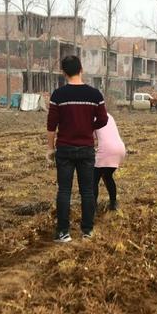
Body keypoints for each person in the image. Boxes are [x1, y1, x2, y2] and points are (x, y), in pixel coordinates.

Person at [47, 55, 108, 242]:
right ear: (81, 69)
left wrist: (50, 148)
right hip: (86, 148)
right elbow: (104, 119)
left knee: (64, 191)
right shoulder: (95, 94)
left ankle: (63, 232)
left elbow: (51, 125)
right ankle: (87, 231)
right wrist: (89, 127)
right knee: (87, 191)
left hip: (64, 148)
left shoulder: (58, 95)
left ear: (63, 72)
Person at [93, 113, 126, 211]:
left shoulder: (92, 116)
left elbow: (92, 138)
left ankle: (93, 208)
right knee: (107, 176)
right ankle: (113, 203)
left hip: (106, 149)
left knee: (93, 180)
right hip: (120, 149)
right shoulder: (108, 115)